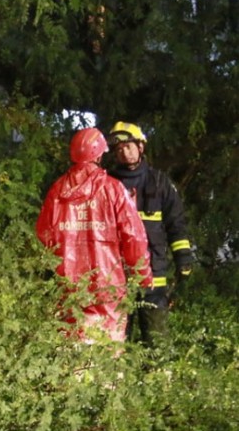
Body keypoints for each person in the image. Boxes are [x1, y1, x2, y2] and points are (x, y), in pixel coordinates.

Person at [36, 127, 152, 342]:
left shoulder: (57, 191)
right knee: (107, 350)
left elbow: (44, 235)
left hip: (69, 285)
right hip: (108, 284)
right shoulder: (114, 189)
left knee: (73, 349)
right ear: (99, 154)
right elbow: (134, 237)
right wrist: (143, 276)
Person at [106, 122, 195, 345]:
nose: (123, 152)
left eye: (128, 147)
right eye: (118, 149)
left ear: (140, 147)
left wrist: (183, 258)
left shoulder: (160, 182)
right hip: (116, 273)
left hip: (153, 272)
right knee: (115, 336)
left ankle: (159, 376)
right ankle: (115, 378)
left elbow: (176, 224)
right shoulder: (107, 184)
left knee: (156, 336)